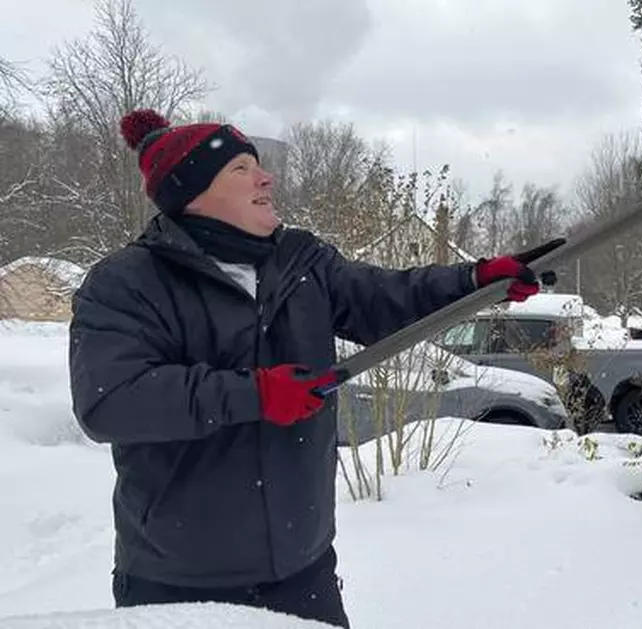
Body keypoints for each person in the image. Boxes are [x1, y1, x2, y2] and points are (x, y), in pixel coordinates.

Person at [67, 109, 557, 628]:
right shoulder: (128, 282)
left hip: (303, 573)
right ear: (193, 191)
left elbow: (386, 299)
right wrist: (255, 394)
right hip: (179, 581)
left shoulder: (301, 263)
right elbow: (111, 400)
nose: (265, 177)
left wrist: (475, 280)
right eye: (240, 169)